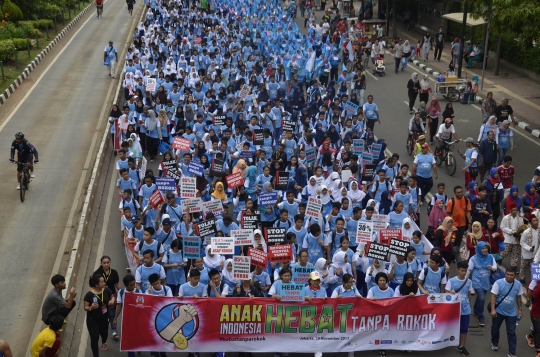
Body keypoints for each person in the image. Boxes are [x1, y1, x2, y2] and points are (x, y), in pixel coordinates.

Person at [490, 266, 523, 357]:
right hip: (498, 311)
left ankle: (512, 351)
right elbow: (493, 296)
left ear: (515, 276)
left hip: (511, 313)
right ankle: (494, 343)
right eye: (507, 274)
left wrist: (520, 309)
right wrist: (493, 310)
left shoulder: (518, 284)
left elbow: (519, 297)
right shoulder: (498, 283)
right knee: (495, 328)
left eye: (511, 275)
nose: (509, 276)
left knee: (511, 332)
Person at [446, 261, 473, 357]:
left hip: (465, 309)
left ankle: (462, 346)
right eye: (462, 270)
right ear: (457, 270)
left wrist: (470, 305)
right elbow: (446, 293)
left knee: (464, 328)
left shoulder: (469, 281)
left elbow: (469, 294)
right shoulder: (451, 281)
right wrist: (450, 292)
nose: (464, 273)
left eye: (465, 271)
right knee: (450, 326)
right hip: (454, 309)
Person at [84, 274, 115, 357]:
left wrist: (112, 301)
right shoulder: (89, 295)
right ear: (96, 284)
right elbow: (85, 307)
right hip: (92, 320)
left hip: (104, 318)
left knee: (104, 334)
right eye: (102, 282)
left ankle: (104, 341)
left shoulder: (106, 290)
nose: (104, 283)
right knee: (94, 338)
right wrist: (91, 308)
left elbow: (112, 297)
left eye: (103, 281)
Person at [467, 241, 497, 327]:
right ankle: (481, 316)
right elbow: (469, 270)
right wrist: (464, 280)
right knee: (482, 298)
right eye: (483, 248)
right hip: (476, 281)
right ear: (479, 249)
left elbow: (495, 267)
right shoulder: (473, 259)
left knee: (480, 298)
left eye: (486, 248)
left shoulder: (491, 257)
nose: (484, 250)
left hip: (486, 281)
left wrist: (492, 267)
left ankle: (476, 310)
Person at [93, 256, 120, 340]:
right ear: (101, 263)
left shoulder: (114, 272)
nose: (106, 264)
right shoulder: (97, 273)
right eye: (104, 263)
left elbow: (117, 284)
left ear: (110, 262)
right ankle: (103, 331)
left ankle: (114, 331)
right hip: (102, 298)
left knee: (112, 314)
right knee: (104, 315)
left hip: (112, 296)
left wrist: (122, 293)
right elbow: (94, 287)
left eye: (108, 262)